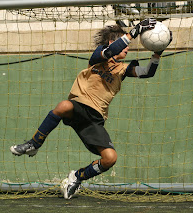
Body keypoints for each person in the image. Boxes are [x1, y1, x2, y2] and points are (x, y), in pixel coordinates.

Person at [9, 18, 172, 199]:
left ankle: (77, 177)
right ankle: (34, 144)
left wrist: (158, 52)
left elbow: (148, 72)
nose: (128, 48)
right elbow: (111, 51)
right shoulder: (98, 56)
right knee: (63, 105)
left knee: (110, 158)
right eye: (125, 44)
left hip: (95, 120)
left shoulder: (123, 70)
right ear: (113, 42)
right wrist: (133, 32)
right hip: (78, 107)